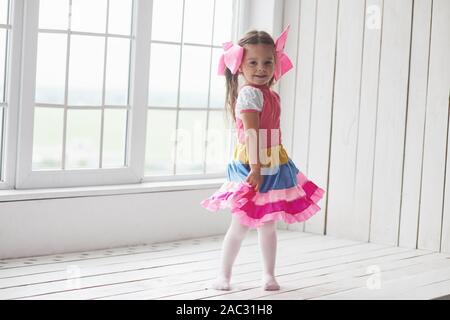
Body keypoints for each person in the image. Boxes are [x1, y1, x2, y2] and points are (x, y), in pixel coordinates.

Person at [200, 25, 325, 291]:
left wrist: (272, 163)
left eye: (268, 62)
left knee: (268, 225)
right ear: (240, 66)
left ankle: (269, 274)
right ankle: (224, 275)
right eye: (253, 62)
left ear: (275, 63)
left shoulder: (271, 95)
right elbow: (253, 135)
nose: (261, 68)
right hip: (252, 165)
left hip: (273, 163)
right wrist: (255, 169)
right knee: (241, 223)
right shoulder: (249, 93)